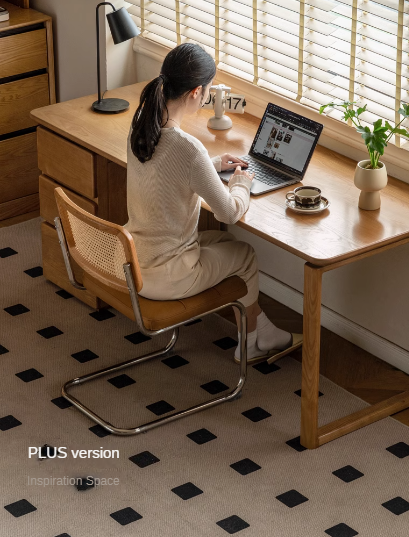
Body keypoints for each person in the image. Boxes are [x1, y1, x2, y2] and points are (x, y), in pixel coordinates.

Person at [124, 42, 302, 364]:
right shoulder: (189, 149)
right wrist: (241, 184)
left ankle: (262, 333)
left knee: (223, 241)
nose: (207, 97)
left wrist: (213, 163)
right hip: (165, 275)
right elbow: (230, 212)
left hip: (134, 259)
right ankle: (250, 344)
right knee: (244, 255)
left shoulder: (141, 128)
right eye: (207, 91)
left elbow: (170, 167)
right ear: (195, 92)